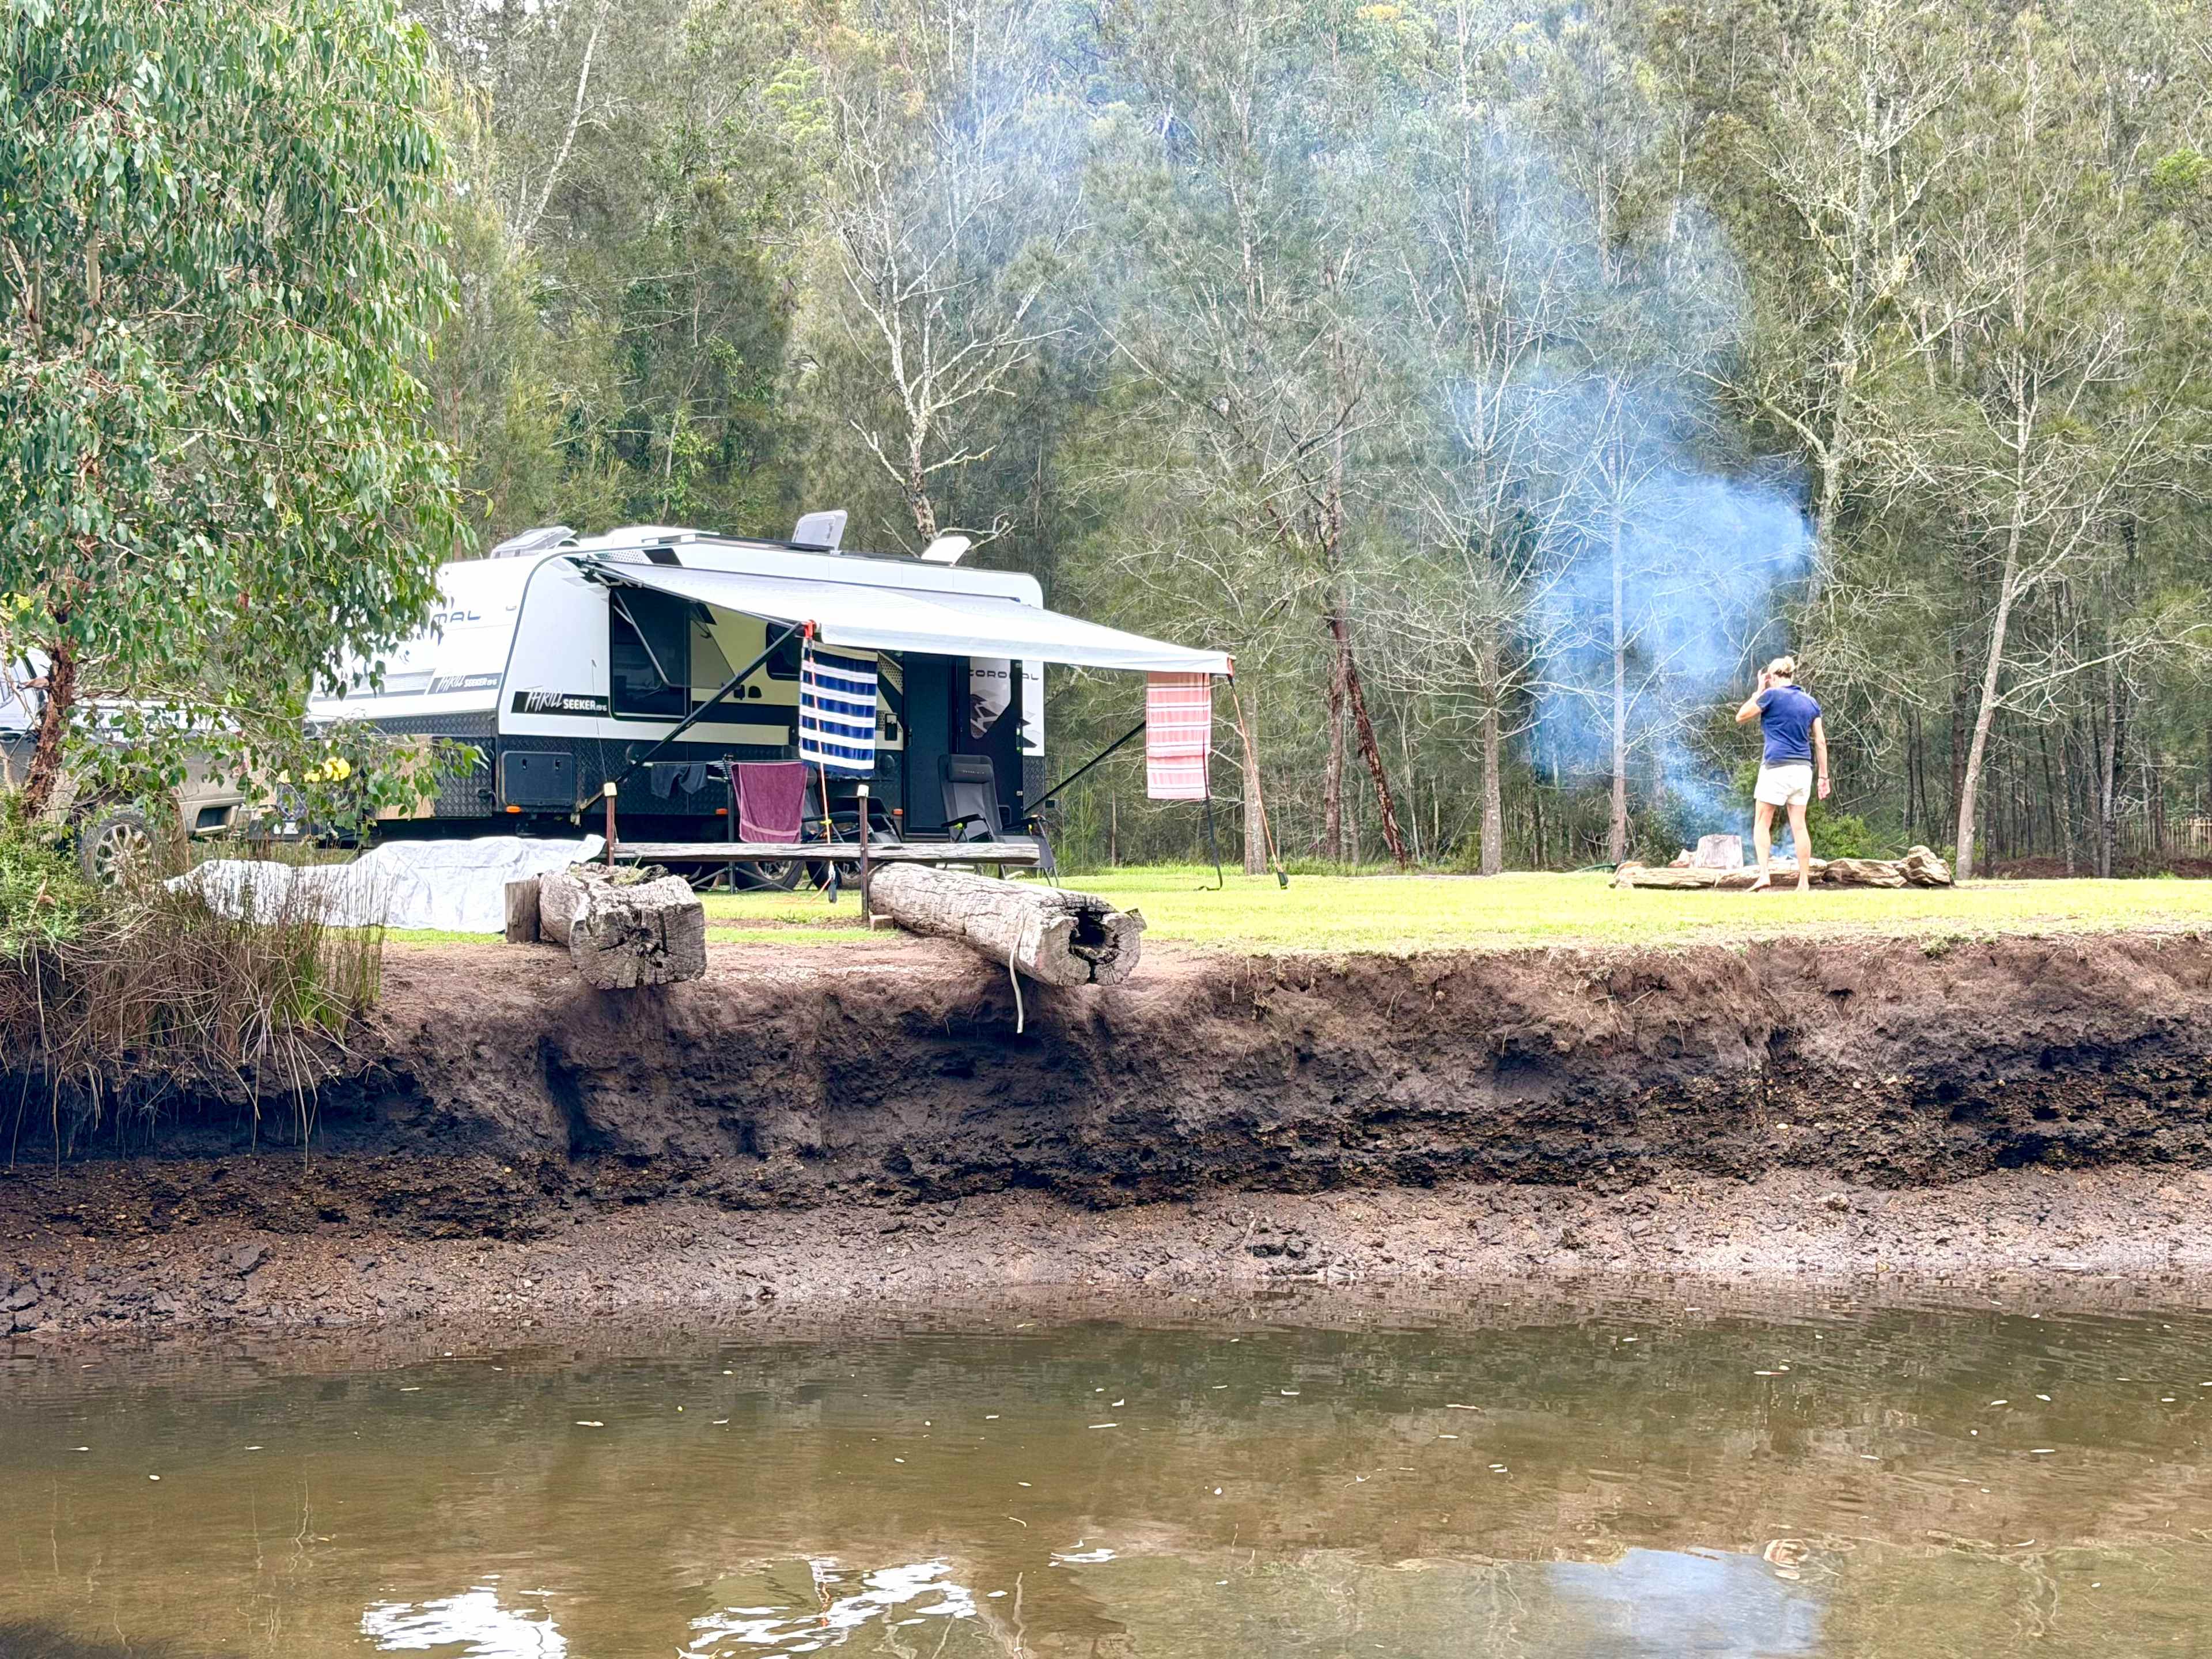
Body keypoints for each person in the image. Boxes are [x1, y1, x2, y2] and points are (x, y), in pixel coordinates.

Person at [1734, 656, 1829, 893]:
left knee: (1761, 823)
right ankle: (1804, 883)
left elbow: (1741, 716)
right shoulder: (1810, 702)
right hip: (1803, 769)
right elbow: (1820, 741)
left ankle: (1764, 875)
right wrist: (1824, 777)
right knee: (1799, 826)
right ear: (1792, 675)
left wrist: (1758, 690)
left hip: (1776, 767)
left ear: (1773, 676)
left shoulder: (1770, 696)